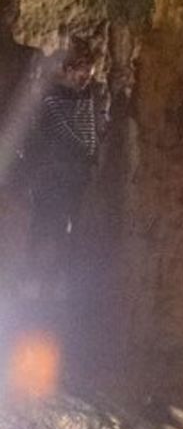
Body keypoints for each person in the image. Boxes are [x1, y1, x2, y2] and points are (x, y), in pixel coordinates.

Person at [24, 37, 99, 299]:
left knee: (64, 231)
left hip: (73, 175)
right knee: (43, 226)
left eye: (89, 75)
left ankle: (53, 284)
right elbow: (64, 130)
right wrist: (84, 147)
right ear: (68, 69)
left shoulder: (84, 96)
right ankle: (32, 281)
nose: (85, 80)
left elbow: (89, 132)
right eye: (82, 73)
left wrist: (89, 150)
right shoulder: (51, 96)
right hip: (51, 173)